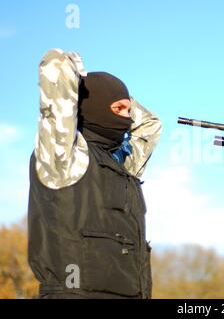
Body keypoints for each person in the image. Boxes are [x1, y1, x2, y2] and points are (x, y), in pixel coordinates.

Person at [27, 49, 162, 299]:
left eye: (129, 111)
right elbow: (54, 66)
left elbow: (150, 125)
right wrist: (82, 84)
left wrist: (120, 98)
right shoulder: (64, 157)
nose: (126, 117)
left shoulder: (121, 162)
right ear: (93, 107)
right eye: (118, 108)